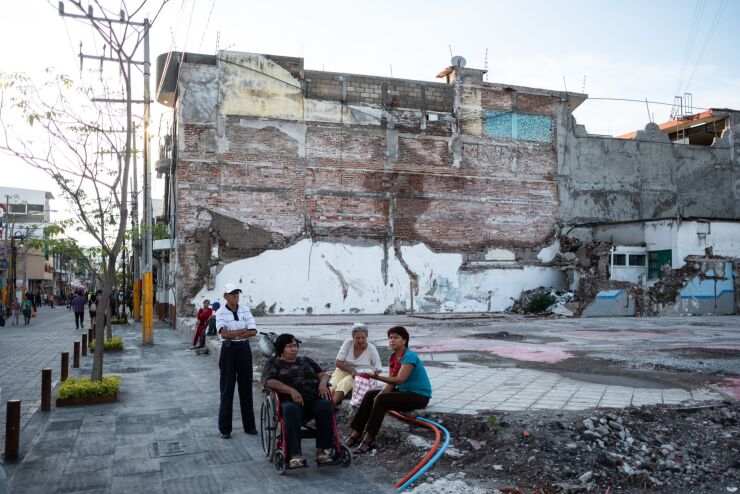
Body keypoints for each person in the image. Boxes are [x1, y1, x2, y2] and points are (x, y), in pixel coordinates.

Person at [346, 326, 432, 454]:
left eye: (396, 337)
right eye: (390, 338)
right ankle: (356, 432)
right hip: (403, 392)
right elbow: (391, 383)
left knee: (382, 400)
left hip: (419, 396)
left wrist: (377, 377)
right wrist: (379, 394)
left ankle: (369, 438)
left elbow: (399, 380)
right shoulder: (393, 357)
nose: (392, 340)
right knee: (371, 395)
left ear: (404, 340)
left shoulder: (409, 356)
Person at [262, 333, 336, 467]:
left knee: (326, 405)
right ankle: (295, 455)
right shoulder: (274, 363)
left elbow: (323, 374)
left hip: (313, 400)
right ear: (281, 348)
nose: (294, 349)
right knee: (290, 410)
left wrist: (322, 383)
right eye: (290, 346)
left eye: (295, 345)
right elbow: (269, 382)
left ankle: (321, 451)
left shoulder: (305, 360)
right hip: (290, 402)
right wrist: (291, 390)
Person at [215, 283, 258, 439]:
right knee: (227, 389)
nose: (235, 296)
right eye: (232, 293)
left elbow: (253, 331)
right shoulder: (220, 312)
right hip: (228, 351)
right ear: (226, 296)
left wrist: (236, 333)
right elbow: (225, 334)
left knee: (246, 388)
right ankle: (225, 429)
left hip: (244, 350)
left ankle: (250, 426)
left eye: (237, 293)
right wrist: (241, 331)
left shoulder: (245, 310)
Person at [329, 323, 383, 406]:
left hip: (360, 374)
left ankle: (331, 406)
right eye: (357, 338)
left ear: (366, 337)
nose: (360, 340)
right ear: (353, 337)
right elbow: (338, 362)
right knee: (331, 385)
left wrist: (367, 373)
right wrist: (351, 370)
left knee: (345, 383)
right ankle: (323, 403)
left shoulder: (371, 348)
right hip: (343, 370)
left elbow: (378, 369)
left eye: (363, 337)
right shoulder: (348, 344)